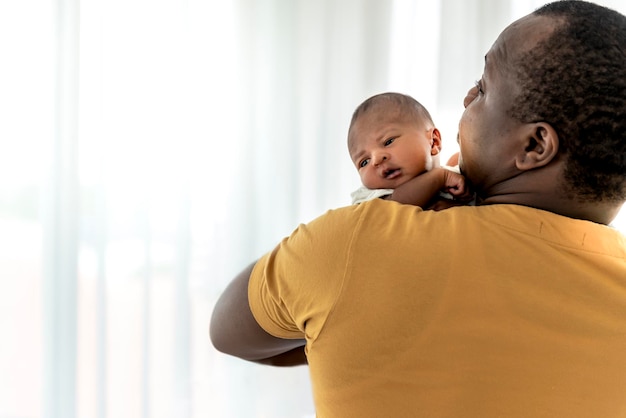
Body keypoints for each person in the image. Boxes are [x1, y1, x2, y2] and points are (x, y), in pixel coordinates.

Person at [210, 1, 626, 416]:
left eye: (482, 88)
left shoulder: (360, 242)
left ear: (534, 146)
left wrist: (344, 322)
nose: (466, 97)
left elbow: (228, 331)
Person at [347, 92, 472, 207]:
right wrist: (440, 178)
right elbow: (393, 207)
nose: (376, 159)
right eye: (364, 162)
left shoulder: (456, 176)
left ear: (433, 141)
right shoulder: (372, 196)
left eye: (388, 142)